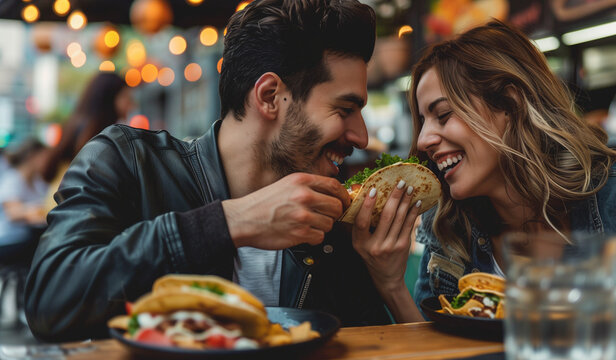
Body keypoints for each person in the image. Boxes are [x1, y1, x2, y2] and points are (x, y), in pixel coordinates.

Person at [25, 0, 421, 342]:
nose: (362, 136)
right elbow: (51, 301)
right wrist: (229, 222)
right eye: (345, 109)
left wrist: (386, 279)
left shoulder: (332, 224)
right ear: (270, 97)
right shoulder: (126, 161)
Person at [360, 21, 616, 323]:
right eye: (422, 122)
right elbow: (435, 351)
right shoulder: (450, 223)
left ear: (510, 105)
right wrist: (391, 285)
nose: (423, 141)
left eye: (444, 115)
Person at [39, 72, 134, 216]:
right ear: (110, 98)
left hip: (58, 203)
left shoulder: (76, 123)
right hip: (73, 209)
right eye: (126, 97)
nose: (131, 104)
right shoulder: (100, 133)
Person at [0, 138, 48, 263]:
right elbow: (13, 213)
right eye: (44, 157)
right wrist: (39, 212)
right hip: (11, 239)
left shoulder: (38, 181)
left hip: (29, 238)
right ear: (32, 157)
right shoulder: (12, 178)